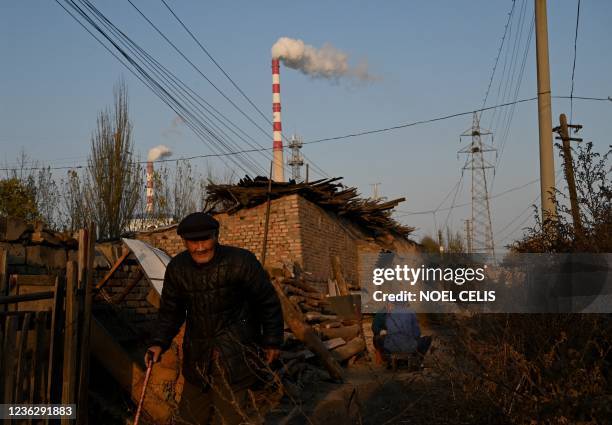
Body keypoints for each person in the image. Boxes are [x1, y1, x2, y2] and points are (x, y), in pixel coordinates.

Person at [145, 212, 284, 425]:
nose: (200, 247)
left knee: (229, 418)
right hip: (198, 357)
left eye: (205, 239)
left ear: (216, 236)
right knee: (190, 418)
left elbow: (267, 302)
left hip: (236, 354)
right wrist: (158, 342)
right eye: (193, 242)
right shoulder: (178, 268)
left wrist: (272, 340)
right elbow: (170, 311)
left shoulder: (241, 261)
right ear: (184, 242)